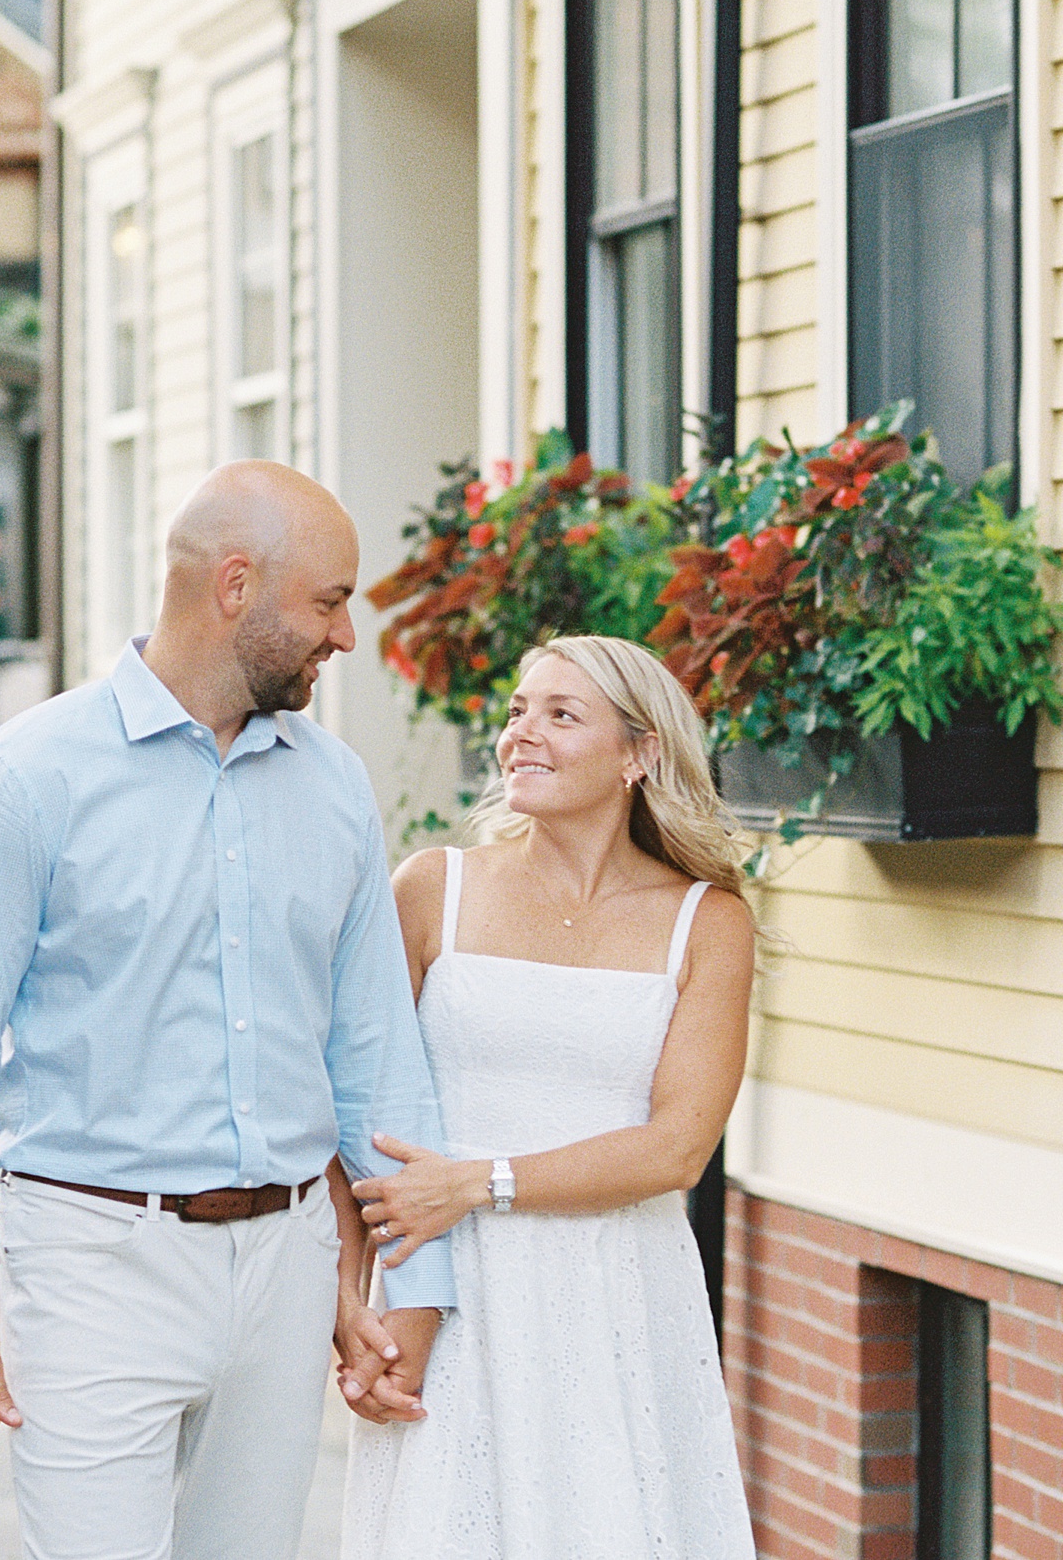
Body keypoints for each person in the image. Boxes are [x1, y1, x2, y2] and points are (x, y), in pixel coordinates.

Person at [0, 461, 454, 1560]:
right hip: (96, 1254)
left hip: (289, 1261)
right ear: (235, 584)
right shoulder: (29, 780)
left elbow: (377, 1061)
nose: (345, 636)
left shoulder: (334, 786)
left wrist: (416, 1281)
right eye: (329, 601)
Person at [336, 634, 757, 1559]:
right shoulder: (431, 889)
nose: (521, 732)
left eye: (561, 715)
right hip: (450, 1298)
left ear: (638, 755)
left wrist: (477, 1182)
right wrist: (348, 1297)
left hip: (619, 1299)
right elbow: (359, 1111)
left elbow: (677, 1146)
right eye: (520, 709)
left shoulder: (708, 922)